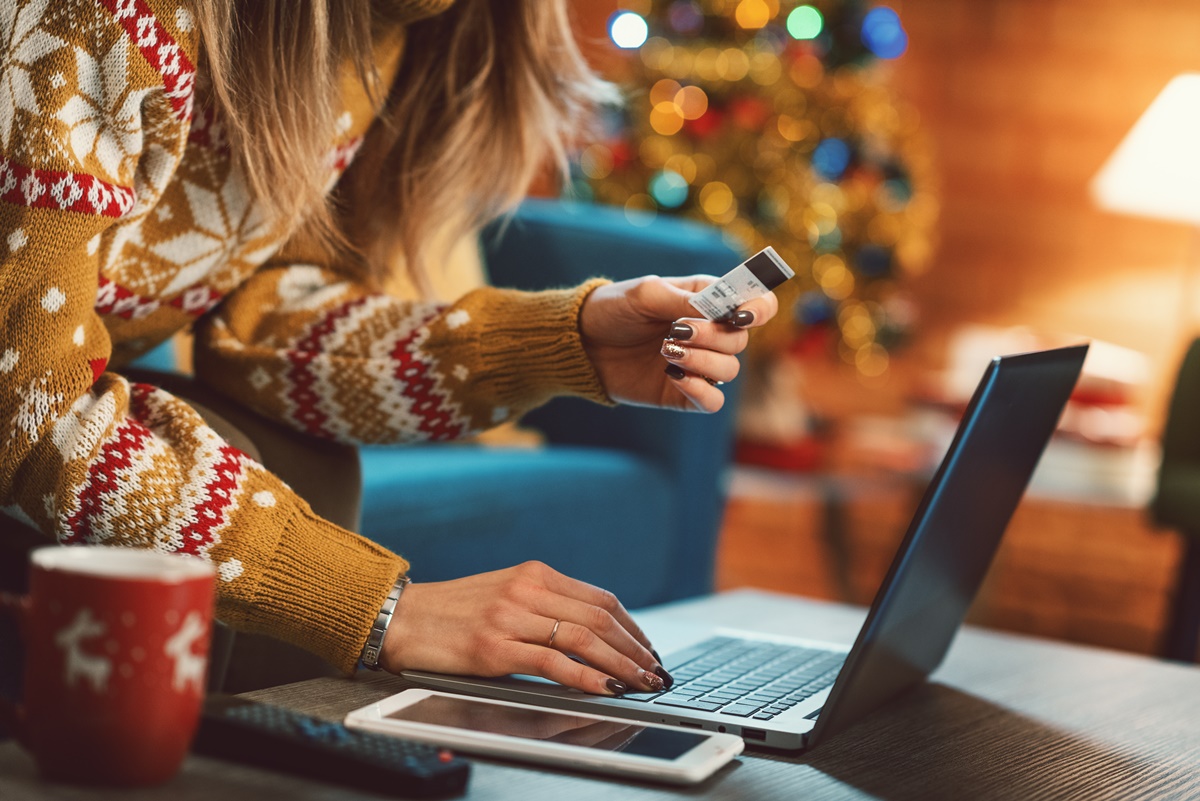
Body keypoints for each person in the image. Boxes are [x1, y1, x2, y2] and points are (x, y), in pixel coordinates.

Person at [0, 0, 777, 697]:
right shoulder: (105, 17)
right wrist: (379, 608)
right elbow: (24, 401)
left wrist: (562, 342)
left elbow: (258, 322)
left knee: (305, 455)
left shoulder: (380, 34)